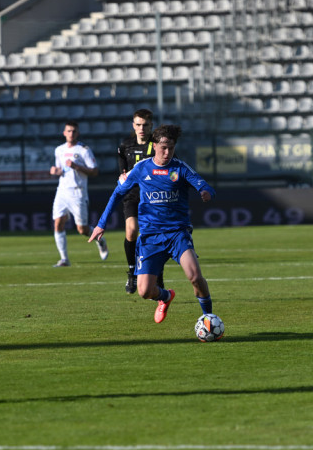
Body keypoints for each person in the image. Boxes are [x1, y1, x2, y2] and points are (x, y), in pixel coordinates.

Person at [89, 124, 216, 324]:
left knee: (194, 276)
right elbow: (117, 193)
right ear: (154, 145)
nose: (167, 152)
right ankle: (165, 297)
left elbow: (204, 184)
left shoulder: (180, 168)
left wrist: (205, 191)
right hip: (150, 238)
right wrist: (101, 223)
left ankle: (208, 317)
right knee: (144, 291)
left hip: (177, 234)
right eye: (163, 147)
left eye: (171, 148)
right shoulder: (141, 168)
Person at [50, 120, 109, 267]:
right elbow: (60, 169)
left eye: (74, 131)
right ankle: (64, 259)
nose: (71, 134)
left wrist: (77, 166)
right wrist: (56, 171)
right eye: (68, 131)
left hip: (78, 193)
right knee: (58, 223)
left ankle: (100, 240)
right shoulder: (59, 150)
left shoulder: (83, 150)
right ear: (64, 133)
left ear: (78, 133)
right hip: (62, 191)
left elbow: (94, 171)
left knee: (82, 229)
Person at [117, 108, 156, 293]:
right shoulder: (125, 146)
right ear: (133, 125)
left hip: (154, 197)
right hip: (132, 195)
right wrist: (123, 178)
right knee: (131, 231)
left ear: (151, 125)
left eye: (145, 125)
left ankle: (157, 277)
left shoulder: (158, 145)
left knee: (153, 237)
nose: (141, 128)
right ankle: (132, 273)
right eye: (138, 125)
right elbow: (122, 174)